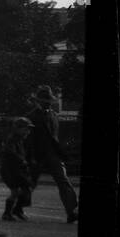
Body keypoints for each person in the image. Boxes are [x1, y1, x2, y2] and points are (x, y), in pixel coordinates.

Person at [26, 86, 78, 223]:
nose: (47, 103)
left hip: (53, 154)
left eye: (48, 100)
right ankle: (16, 207)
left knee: (63, 181)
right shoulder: (31, 117)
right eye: (44, 100)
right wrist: (30, 157)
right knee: (30, 183)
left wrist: (60, 153)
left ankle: (71, 211)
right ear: (38, 101)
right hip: (37, 155)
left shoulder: (54, 115)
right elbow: (29, 139)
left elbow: (55, 137)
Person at [0, 116, 35, 221]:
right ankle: (9, 212)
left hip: (16, 170)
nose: (28, 131)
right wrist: (21, 160)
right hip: (11, 170)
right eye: (25, 129)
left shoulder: (19, 140)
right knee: (17, 191)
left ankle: (16, 210)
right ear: (18, 129)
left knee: (25, 189)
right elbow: (11, 152)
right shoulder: (12, 139)